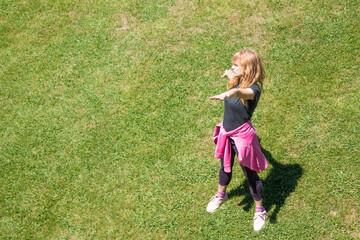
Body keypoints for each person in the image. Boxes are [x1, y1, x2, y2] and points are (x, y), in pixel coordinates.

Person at [208, 49, 268, 232]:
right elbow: (237, 88)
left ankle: (260, 210)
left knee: (250, 175)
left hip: (242, 137)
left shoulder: (253, 89)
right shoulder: (239, 80)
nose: (232, 66)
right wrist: (231, 77)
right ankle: (221, 195)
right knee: (225, 166)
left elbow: (241, 93)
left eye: (236, 65)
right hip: (227, 132)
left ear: (248, 68)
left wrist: (228, 93)